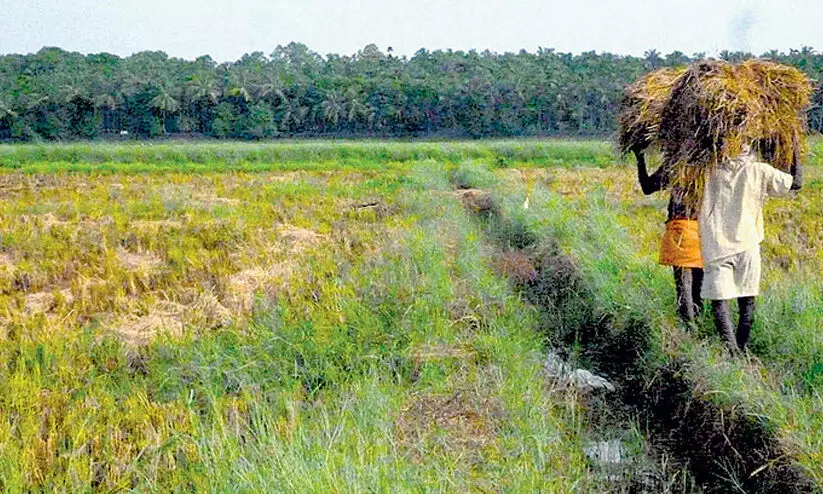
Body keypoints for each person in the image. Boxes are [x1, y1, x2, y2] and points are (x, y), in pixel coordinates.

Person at [699, 144, 802, 353]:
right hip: (748, 243)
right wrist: (795, 148)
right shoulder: (759, 170)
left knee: (719, 301)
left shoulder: (705, 169)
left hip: (716, 244)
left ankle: (732, 353)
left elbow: (673, 177)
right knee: (747, 301)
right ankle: (741, 350)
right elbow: (796, 183)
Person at [634, 148, 704, 324]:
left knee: (684, 287)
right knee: (698, 287)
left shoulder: (675, 166)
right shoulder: (711, 166)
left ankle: (688, 332)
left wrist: (639, 157)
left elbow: (647, 187)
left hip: (681, 228)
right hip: (706, 231)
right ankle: (699, 327)